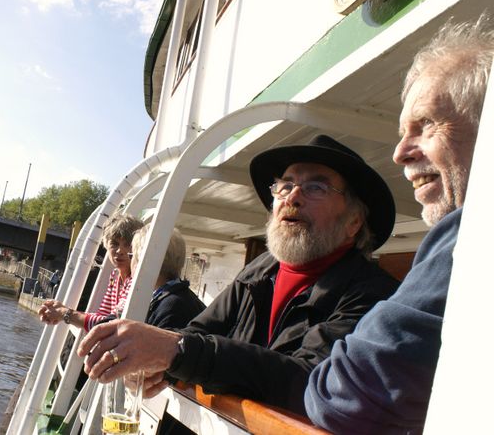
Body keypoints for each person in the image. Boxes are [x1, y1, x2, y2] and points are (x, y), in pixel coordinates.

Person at [77, 134, 399, 415]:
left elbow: (309, 379)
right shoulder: (259, 271)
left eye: (316, 187)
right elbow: (197, 332)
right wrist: (161, 367)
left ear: (354, 222)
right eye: (285, 185)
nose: (292, 196)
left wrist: (175, 352)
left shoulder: (375, 296)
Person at [304, 15, 494, 433]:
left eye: (425, 125)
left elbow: (348, 393)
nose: (399, 152)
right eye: (284, 187)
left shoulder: (476, 233)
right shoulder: (257, 276)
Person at [39, 223, 205, 330]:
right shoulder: (171, 297)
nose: (124, 254)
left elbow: (113, 326)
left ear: (144, 261)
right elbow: (111, 319)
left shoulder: (168, 307)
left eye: (132, 254)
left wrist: (66, 314)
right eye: (115, 244)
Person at [39, 214, 144, 331]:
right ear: (106, 245)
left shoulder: (137, 279)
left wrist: (64, 313)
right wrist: (61, 311)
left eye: (128, 245)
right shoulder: (115, 275)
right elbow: (104, 316)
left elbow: (111, 324)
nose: (120, 251)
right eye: (114, 244)